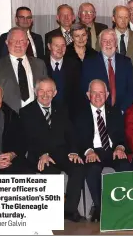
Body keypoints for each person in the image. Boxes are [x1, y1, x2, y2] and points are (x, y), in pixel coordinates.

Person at [19, 78, 86, 222]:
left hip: (61, 153)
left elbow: (71, 133)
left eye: (49, 91)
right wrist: (41, 154)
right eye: (41, 91)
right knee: (51, 171)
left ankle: (69, 210)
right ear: (36, 92)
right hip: (39, 154)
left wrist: (74, 151)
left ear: (55, 93)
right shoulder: (26, 112)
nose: (45, 94)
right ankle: (52, 213)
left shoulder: (61, 108)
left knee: (78, 167)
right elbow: (28, 139)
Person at [75, 79, 131, 222]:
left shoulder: (115, 111)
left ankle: (122, 206)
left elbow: (122, 135)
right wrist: (88, 151)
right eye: (94, 93)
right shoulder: (79, 114)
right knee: (92, 168)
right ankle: (100, 208)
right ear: (88, 94)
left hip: (112, 150)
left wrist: (120, 147)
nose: (98, 96)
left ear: (107, 95)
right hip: (93, 151)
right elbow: (77, 138)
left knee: (124, 165)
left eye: (101, 93)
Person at [0, 27, 48, 113]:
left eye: (22, 41)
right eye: (14, 40)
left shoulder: (39, 64)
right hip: (8, 117)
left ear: (27, 43)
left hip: (34, 116)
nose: (18, 44)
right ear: (7, 42)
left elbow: (46, 91)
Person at [80, 29, 133, 113]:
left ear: (116, 44)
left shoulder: (126, 62)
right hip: (98, 113)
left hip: (122, 113)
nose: (108, 44)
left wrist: (122, 110)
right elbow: (85, 90)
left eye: (111, 40)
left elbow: (130, 90)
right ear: (100, 43)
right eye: (105, 41)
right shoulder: (89, 63)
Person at [44, 34, 82, 117]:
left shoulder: (74, 65)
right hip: (45, 113)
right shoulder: (40, 64)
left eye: (63, 45)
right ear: (49, 46)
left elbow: (78, 93)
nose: (60, 49)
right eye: (56, 45)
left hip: (69, 114)